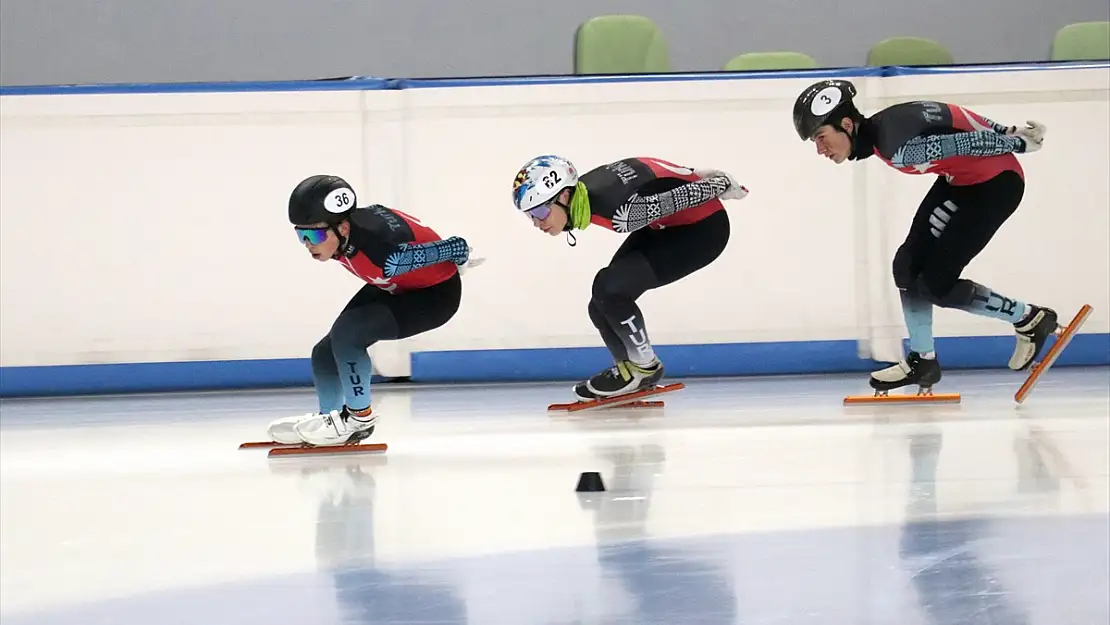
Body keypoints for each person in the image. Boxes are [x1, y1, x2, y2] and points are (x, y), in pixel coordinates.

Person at [791, 79, 1059, 394]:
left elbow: (964, 144)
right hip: (963, 180)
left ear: (846, 124)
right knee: (907, 266)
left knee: (937, 285)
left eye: (821, 137)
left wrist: (1016, 142)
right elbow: (953, 117)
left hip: (996, 187)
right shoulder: (886, 125)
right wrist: (1006, 131)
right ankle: (923, 361)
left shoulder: (896, 147)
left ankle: (1029, 318)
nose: (820, 149)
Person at [511, 155, 749, 401]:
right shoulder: (588, 189)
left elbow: (682, 196)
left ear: (564, 196)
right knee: (600, 303)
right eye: (530, 215)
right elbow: (649, 169)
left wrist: (720, 183)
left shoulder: (620, 212)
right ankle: (628, 371)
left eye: (540, 211)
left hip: (704, 231)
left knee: (609, 288)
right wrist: (694, 172)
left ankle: (644, 368)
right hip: (669, 225)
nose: (537, 222)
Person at [267, 174, 481, 446]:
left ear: (343, 229)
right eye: (302, 235)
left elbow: (447, 246)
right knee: (325, 351)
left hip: (436, 296)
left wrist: (457, 250)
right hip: (397, 286)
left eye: (315, 234)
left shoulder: (382, 253)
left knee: (348, 334)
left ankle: (359, 418)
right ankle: (329, 419)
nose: (309, 243)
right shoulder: (346, 234)